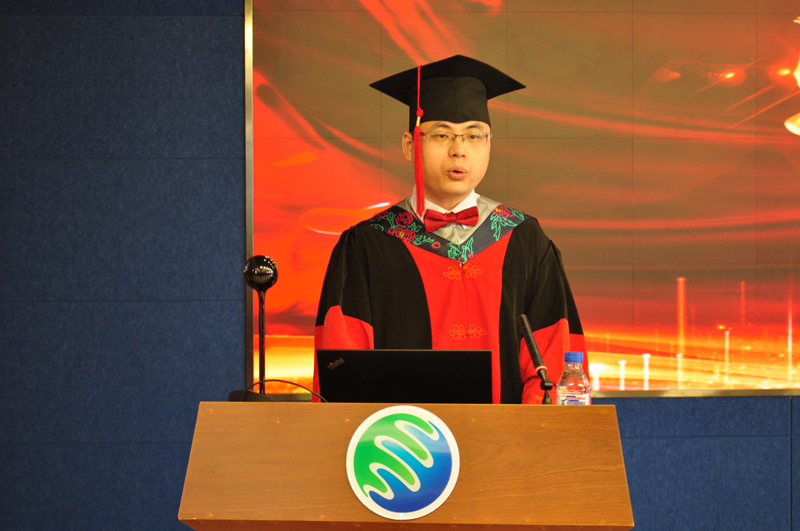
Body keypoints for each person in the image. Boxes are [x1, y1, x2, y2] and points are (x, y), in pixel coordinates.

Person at [313, 55, 586, 404]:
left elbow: (556, 356)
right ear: (410, 145)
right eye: (441, 135)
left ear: (489, 144)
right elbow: (343, 367)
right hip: (404, 437)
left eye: (475, 135)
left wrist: (530, 431)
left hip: (508, 434)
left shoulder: (525, 240)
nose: (459, 150)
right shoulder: (366, 245)